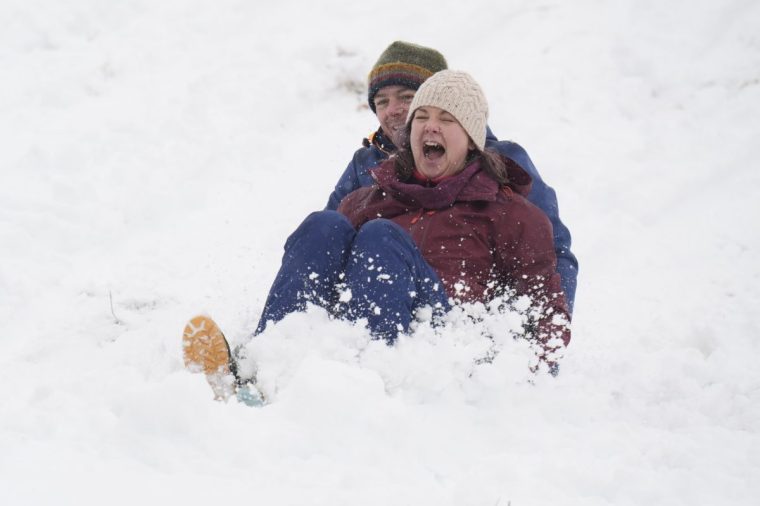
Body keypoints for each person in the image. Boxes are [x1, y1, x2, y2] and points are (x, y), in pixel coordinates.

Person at [183, 70, 570, 401]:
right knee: (325, 225)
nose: (431, 125)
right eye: (422, 117)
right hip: (360, 318)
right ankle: (263, 369)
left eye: (447, 119)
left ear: (471, 138)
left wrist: (525, 374)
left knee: (382, 238)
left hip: (438, 346)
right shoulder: (374, 195)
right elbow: (316, 255)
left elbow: (543, 304)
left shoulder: (508, 212)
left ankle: (361, 385)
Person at [325, 41, 578, 314]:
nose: (392, 110)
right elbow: (332, 242)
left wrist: (533, 334)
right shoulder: (366, 165)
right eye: (382, 102)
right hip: (373, 305)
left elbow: (550, 253)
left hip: (457, 313)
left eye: (406, 97)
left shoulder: (500, 162)